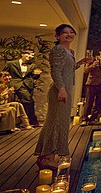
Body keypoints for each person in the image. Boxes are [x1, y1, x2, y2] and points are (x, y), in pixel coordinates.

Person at [35, 24, 90, 170]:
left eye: (71, 32)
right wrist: (61, 89)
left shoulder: (70, 51)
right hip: (60, 90)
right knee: (56, 122)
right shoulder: (58, 49)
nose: (69, 34)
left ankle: (45, 155)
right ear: (58, 36)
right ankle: (48, 156)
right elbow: (55, 71)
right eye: (65, 32)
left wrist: (79, 63)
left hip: (65, 89)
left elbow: (67, 69)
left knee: (59, 121)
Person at [3, 49, 42, 126]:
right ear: (22, 54)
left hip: (28, 85)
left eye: (32, 55)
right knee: (28, 101)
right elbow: (4, 73)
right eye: (29, 54)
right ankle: (32, 121)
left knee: (27, 102)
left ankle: (25, 121)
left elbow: (34, 77)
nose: (30, 56)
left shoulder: (32, 65)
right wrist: (6, 83)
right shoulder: (11, 63)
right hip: (16, 84)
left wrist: (37, 74)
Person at [84, 46, 101, 123]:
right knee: (89, 101)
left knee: (99, 102)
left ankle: (93, 118)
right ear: (99, 51)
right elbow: (86, 70)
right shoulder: (93, 59)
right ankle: (85, 118)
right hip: (92, 83)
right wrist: (93, 65)